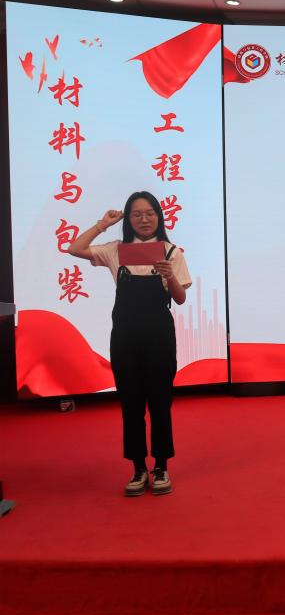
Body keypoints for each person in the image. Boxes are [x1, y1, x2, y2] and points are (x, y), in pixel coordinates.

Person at [68, 191, 190, 497]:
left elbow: (179, 298)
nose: (144, 219)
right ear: (128, 219)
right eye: (136, 214)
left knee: (160, 404)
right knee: (131, 405)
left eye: (150, 213)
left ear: (159, 216)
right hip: (125, 338)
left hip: (159, 338)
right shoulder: (116, 250)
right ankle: (138, 468)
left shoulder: (171, 252)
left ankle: (160, 466)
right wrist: (103, 224)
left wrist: (169, 276)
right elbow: (74, 249)